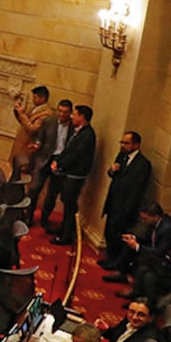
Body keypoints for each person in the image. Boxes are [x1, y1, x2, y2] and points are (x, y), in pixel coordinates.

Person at [100, 131, 152, 264]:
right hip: (113, 202)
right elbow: (113, 174)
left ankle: (116, 263)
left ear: (136, 145)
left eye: (126, 143)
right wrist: (112, 170)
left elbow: (139, 189)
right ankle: (109, 259)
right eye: (121, 142)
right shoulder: (122, 156)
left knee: (119, 235)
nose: (122, 145)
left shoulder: (143, 164)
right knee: (109, 233)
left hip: (126, 207)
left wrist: (128, 208)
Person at [104, 201, 171, 287]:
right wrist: (135, 238)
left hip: (168, 258)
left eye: (145, 219)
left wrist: (138, 246)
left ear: (155, 217)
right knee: (130, 244)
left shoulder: (168, 229)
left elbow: (160, 251)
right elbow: (149, 240)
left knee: (136, 248)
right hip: (157, 249)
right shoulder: (158, 222)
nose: (143, 221)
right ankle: (121, 272)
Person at [50, 104, 96, 245]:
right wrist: (58, 161)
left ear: (82, 117)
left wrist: (60, 164)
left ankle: (67, 235)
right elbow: (68, 150)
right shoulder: (79, 132)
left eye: (74, 114)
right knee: (66, 202)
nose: (72, 117)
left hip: (75, 176)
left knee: (70, 205)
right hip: (68, 174)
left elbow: (76, 154)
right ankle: (64, 228)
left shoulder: (87, 135)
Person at [29, 99, 72, 227]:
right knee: (34, 189)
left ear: (70, 113)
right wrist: (37, 145)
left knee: (52, 193)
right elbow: (40, 138)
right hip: (44, 159)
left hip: (60, 162)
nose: (62, 114)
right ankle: (28, 216)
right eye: (60, 111)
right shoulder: (49, 121)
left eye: (65, 112)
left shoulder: (73, 127)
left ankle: (44, 219)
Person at [11, 85, 51, 175]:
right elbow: (24, 122)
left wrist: (22, 114)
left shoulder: (46, 113)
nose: (33, 99)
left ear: (43, 98)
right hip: (22, 142)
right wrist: (18, 113)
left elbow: (32, 129)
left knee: (22, 171)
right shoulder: (33, 108)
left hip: (28, 145)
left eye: (35, 97)